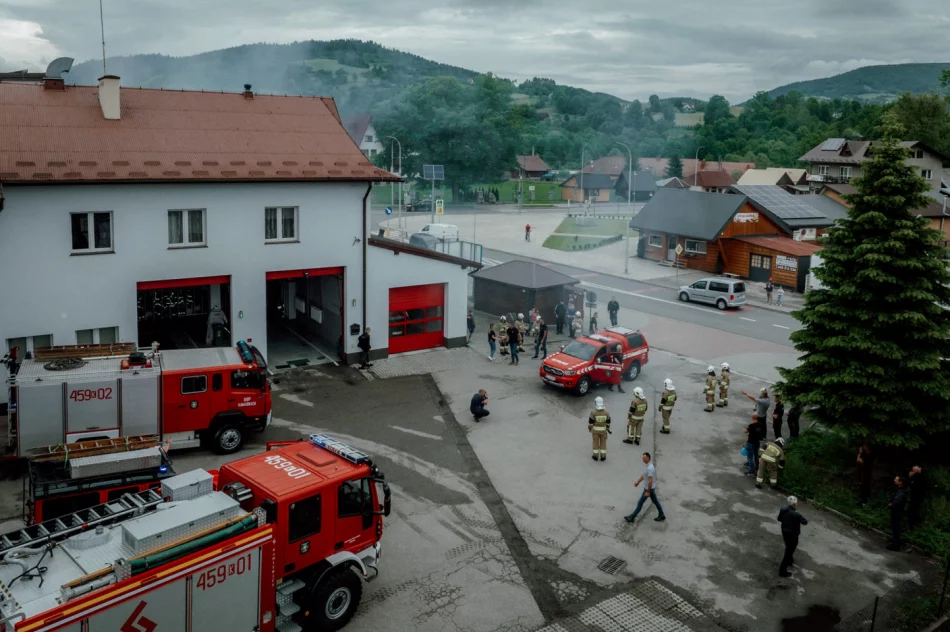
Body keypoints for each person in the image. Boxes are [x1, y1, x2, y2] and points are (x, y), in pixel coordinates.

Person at [624, 452, 667, 523]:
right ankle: (662, 515)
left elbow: (650, 480)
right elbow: (644, 475)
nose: (642, 459)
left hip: (649, 489)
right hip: (650, 489)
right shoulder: (647, 466)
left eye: (644, 457)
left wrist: (648, 491)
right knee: (655, 502)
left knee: (640, 503)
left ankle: (632, 517)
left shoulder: (650, 468)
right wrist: (638, 482)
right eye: (642, 457)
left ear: (648, 458)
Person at [778, 496, 808, 577]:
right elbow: (805, 522)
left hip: (784, 531)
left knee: (788, 546)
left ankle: (790, 560)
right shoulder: (797, 514)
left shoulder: (783, 509)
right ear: (794, 504)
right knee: (789, 550)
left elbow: (779, 519)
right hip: (793, 534)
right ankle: (782, 571)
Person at [888, 475, 910, 551]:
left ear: (900, 482)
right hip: (899, 511)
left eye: (896, 479)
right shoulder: (903, 489)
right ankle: (895, 542)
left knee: (895, 528)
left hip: (897, 511)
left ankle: (895, 545)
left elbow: (897, 501)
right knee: (896, 527)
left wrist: (891, 504)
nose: (894, 480)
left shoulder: (901, 491)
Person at [588, 396, 611, 462]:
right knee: (603, 443)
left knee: (595, 443)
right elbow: (608, 421)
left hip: (595, 431)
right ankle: (603, 456)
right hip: (603, 431)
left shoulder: (593, 412)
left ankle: (595, 456)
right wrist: (607, 428)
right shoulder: (606, 412)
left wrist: (590, 428)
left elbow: (591, 422)